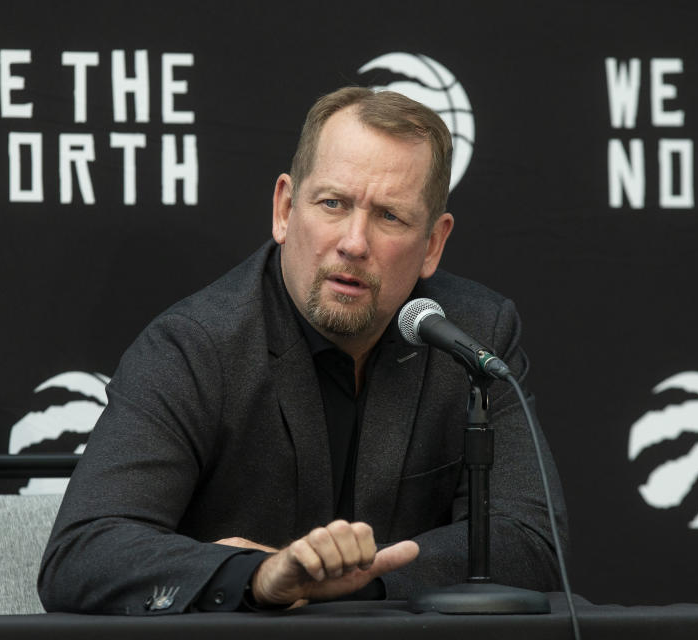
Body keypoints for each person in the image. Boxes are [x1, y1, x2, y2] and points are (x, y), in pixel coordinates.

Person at [38, 87, 568, 614]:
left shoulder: (473, 337)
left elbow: (528, 537)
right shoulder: (195, 345)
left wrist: (355, 578)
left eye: (390, 217)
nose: (354, 242)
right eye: (333, 204)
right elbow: (83, 552)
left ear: (433, 243)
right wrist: (260, 577)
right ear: (286, 208)